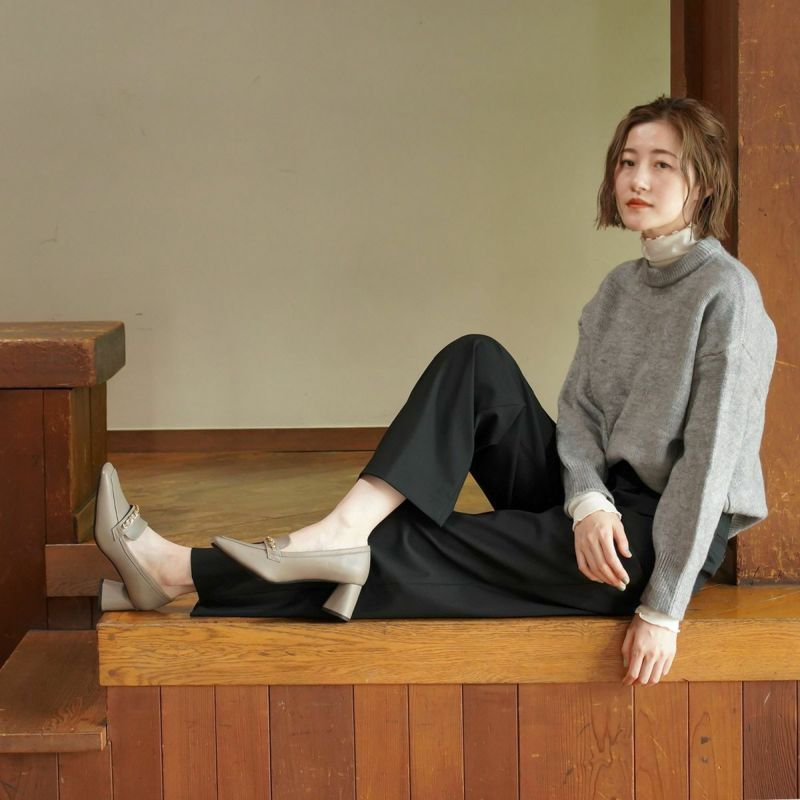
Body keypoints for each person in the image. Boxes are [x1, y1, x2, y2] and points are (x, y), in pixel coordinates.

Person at [94, 94, 777, 688]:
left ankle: (178, 571)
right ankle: (341, 529)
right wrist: (589, 501)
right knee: (477, 360)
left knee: (410, 545)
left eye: (663, 164)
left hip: (651, 544)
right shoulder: (619, 290)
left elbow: (709, 468)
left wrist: (662, 609)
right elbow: (579, 416)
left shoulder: (727, 296)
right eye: (628, 161)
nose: (638, 178)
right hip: (598, 510)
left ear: (703, 183)